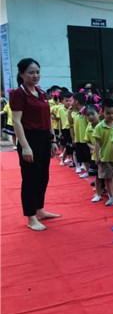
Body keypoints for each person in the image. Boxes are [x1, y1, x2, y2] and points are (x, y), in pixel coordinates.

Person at [10, 57, 60, 231]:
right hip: (29, 138)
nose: (35, 75)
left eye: (38, 72)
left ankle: (40, 210)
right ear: (21, 74)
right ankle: (31, 217)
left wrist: (52, 139)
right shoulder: (18, 94)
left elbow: (49, 118)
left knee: (42, 176)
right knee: (30, 178)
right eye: (31, 72)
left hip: (44, 138)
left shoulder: (41, 92)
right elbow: (16, 122)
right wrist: (24, 146)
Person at [93, 98, 113, 207]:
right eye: (108, 113)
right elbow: (97, 143)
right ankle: (111, 196)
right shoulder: (99, 127)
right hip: (105, 157)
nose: (111, 115)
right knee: (108, 178)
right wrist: (97, 156)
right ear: (102, 112)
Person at [69, 92, 91, 177]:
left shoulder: (86, 111)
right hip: (78, 139)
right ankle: (87, 171)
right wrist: (73, 137)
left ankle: (92, 171)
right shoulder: (75, 112)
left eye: (72, 100)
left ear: (76, 101)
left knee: (88, 156)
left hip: (86, 139)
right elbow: (71, 124)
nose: (70, 102)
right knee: (82, 157)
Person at [85, 105, 103, 202]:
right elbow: (87, 141)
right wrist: (94, 148)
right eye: (88, 115)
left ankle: (110, 192)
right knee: (97, 175)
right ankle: (98, 194)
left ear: (99, 113)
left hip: (106, 154)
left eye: (92, 114)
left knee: (109, 175)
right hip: (95, 155)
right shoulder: (88, 128)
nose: (90, 117)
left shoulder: (103, 126)